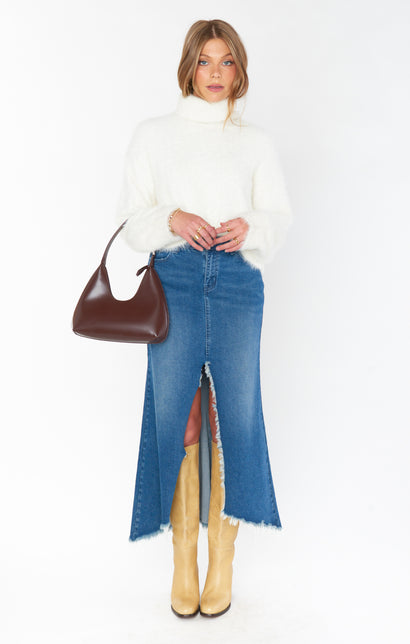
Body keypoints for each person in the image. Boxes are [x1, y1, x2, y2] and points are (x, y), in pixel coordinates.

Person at [115, 19, 293, 618]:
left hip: (238, 282)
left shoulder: (256, 143)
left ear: (239, 70)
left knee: (231, 415)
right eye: (205, 61)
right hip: (175, 281)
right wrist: (173, 217)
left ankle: (222, 558)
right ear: (188, 66)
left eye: (227, 62)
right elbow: (131, 218)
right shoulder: (153, 136)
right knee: (179, 415)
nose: (216, 74)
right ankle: (183, 558)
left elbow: (277, 217)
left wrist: (251, 226)